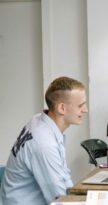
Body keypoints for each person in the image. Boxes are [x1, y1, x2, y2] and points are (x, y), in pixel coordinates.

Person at [0, 77, 88, 205]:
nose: (85, 109)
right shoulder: (44, 145)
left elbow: (63, 176)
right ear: (62, 108)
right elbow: (60, 200)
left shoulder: (39, 120)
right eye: (80, 105)